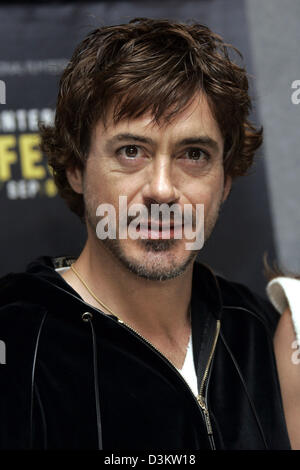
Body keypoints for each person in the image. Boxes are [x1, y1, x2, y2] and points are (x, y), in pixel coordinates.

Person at [0, 18, 292, 450]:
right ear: (76, 169)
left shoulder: (264, 335)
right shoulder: (16, 343)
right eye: (131, 151)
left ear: (225, 181)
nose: (162, 189)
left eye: (194, 154)